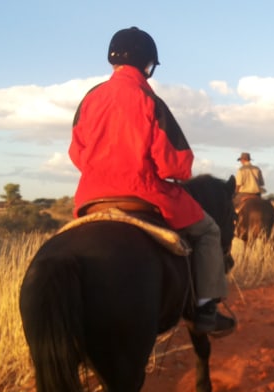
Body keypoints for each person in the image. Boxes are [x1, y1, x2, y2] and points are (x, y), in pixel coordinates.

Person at [69, 26, 234, 335]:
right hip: (145, 192)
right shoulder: (149, 99)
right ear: (147, 65)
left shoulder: (90, 98)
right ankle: (205, 309)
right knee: (209, 231)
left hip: (90, 195)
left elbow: (76, 152)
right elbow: (178, 163)